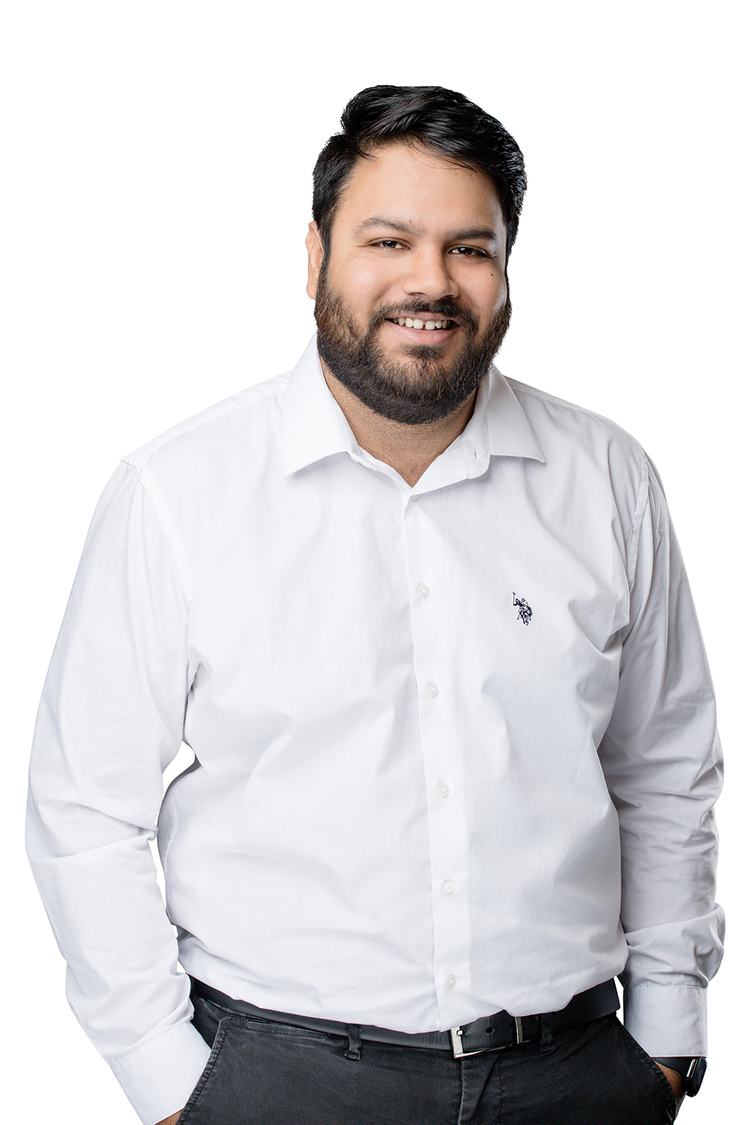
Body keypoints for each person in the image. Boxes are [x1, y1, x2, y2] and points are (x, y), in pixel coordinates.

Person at [27, 85, 723, 1125]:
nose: (428, 282)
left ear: (505, 273)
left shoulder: (608, 479)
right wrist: (171, 1083)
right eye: (387, 239)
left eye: (469, 248)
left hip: (573, 1075)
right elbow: (84, 807)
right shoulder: (179, 492)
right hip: (280, 1079)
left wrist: (667, 1038)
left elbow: (667, 767)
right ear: (315, 257)